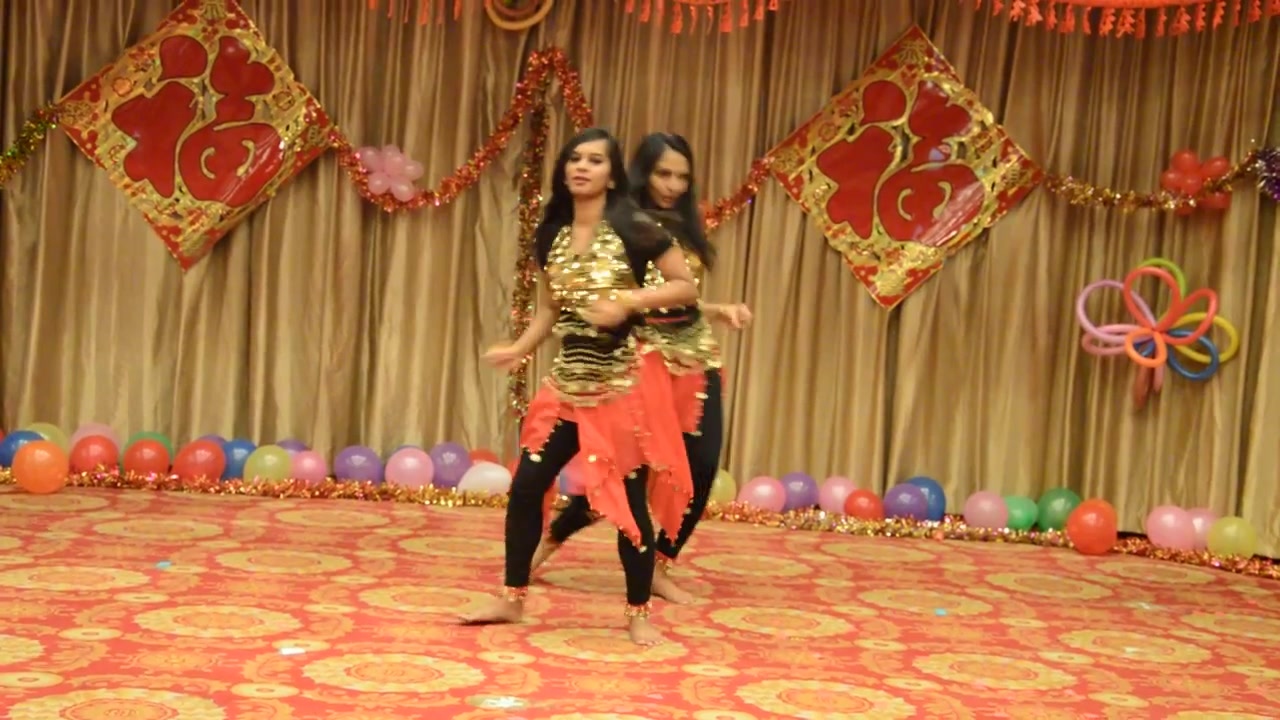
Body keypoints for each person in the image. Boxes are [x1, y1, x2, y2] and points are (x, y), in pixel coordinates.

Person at [459, 128, 699, 646]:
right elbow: (550, 307)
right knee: (527, 486)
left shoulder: (635, 227)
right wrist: (520, 348)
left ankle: (638, 614)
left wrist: (628, 301)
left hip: (621, 386)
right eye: (574, 159)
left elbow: (685, 286)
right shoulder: (553, 234)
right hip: (567, 384)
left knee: (628, 501)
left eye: (594, 160)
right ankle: (511, 598)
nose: (581, 167)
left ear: (612, 175)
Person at [530, 133, 753, 604]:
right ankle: (550, 539)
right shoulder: (621, 222)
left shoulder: (683, 226)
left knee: (702, 465)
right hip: (640, 358)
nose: (673, 185)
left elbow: (679, 293)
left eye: (682, 177)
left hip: (694, 356)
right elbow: (608, 295)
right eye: (662, 173)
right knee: (623, 467)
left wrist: (719, 310)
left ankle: (660, 565)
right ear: (640, 173)